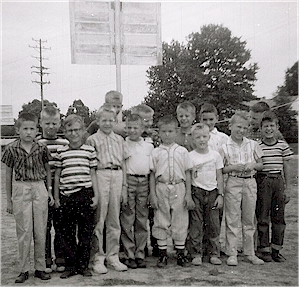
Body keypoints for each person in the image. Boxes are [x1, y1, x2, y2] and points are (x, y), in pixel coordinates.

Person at [1, 112, 54, 283]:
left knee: (40, 230)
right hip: (21, 188)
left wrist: (49, 191)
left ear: (37, 130)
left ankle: (40, 268)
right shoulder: (11, 148)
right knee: (24, 231)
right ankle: (23, 269)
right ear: (18, 130)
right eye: (25, 129)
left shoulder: (41, 148)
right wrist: (9, 200)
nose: (29, 132)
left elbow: (47, 171)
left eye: (32, 128)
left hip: (39, 187)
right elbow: (8, 175)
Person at [53, 114, 99, 279]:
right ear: (65, 132)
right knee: (67, 233)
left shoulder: (89, 150)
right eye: (70, 130)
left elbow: (93, 173)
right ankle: (70, 265)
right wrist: (57, 198)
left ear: (83, 131)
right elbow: (57, 175)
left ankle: (83, 265)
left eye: (77, 130)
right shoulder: (61, 152)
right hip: (67, 196)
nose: (74, 133)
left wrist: (96, 195)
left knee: (85, 233)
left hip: (85, 194)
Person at [86, 104, 128, 274]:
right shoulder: (92, 140)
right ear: (97, 121)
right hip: (101, 175)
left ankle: (113, 256)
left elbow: (123, 163)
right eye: (104, 120)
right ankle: (98, 258)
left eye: (111, 120)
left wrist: (124, 186)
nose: (108, 124)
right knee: (100, 219)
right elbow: (91, 166)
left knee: (114, 219)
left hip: (117, 175)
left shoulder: (119, 139)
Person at [220, 110, 264, 266]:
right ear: (230, 126)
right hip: (233, 182)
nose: (242, 131)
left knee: (249, 218)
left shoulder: (252, 144)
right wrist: (232, 167)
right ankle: (231, 253)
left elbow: (260, 164)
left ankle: (249, 253)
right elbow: (221, 168)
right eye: (238, 127)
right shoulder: (224, 146)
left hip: (250, 182)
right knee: (232, 218)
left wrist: (253, 165)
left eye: (245, 128)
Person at [149, 115, 195, 268]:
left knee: (180, 219)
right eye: (164, 131)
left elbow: (188, 173)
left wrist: (188, 194)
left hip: (179, 186)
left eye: (170, 131)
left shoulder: (182, 151)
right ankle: (163, 254)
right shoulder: (156, 152)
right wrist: (153, 195)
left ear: (176, 132)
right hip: (161, 186)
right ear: (159, 133)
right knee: (161, 218)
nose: (167, 134)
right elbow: (152, 175)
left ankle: (180, 253)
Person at [255, 111, 293, 262]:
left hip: (278, 180)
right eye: (265, 126)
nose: (269, 129)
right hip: (263, 181)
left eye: (272, 126)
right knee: (263, 215)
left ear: (277, 127)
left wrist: (288, 188)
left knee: (278, 216)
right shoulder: (257, 146)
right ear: (261, 128)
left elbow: (287, 168)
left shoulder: (282, 146)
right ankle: (264, 249)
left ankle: (276, 248)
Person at [37, 105, 69, 273]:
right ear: (40, 123)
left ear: (60, 123)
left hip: (60, 189)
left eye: (54, 123)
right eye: (47, 123)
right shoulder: (36, 143)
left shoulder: (65, 143)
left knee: (61, 225)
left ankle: (61, 256)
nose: (51, 127)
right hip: (41, 189)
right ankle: (46, 258)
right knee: (44, 226)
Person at [187, 123, 224, 266]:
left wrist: (220, 194)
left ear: (209, 137)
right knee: (196, 224)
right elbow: (189, 177)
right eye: (198, 137)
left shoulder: (215, 155)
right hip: (196, 192)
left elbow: (219, 176)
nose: (201, 140)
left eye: (204, 136)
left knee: (213, 224)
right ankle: (196, 253)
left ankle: (214, 253)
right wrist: (189, 195)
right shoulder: (190, 156)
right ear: (193, 139)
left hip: (213, 192)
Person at [120, 114, 154, 269]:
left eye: (136, 127)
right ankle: (129, 253)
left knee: (142, 218)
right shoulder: (123, 144)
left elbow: (152, 169)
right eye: (129, 127)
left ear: (142, 129)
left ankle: (140, 253)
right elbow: (123, 166)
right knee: (127, 217)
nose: (132, 130)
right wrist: (125, 185)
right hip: (129, 180)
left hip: (144, 182)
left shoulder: (149, 146)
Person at [131, 104, 160, 256]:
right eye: (145, 120)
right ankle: (134, 247)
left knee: (152, 215)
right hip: (135, 179)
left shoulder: (155, 136)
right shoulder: (130, 136)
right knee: (135, 215)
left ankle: (155, 245)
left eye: (150, 120)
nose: (148, 123)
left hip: (151, 177)